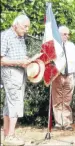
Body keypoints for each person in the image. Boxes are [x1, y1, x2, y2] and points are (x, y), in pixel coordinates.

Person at [1, 15, 36, 145]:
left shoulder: (21, 38)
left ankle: (7, 135)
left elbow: (20, 56)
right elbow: (2, 60)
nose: (26, 29)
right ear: (15, 24)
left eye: (28, 27)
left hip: (20, 73)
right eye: (24, 26)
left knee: (9, 104)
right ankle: (11, 136)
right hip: (11, 73)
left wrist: (27, 60)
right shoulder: (6, 36)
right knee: (15, 102)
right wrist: (20, 61)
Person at [51, 26, 75, 131]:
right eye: (64, 34)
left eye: (68, 34)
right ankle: (59, 123)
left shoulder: (71, 46)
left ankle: (67, 123)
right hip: (57, 75)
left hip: (70, 75)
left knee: (67, 100)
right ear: (59, 34)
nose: (67, 36)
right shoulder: (54, 45)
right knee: (57, 100)